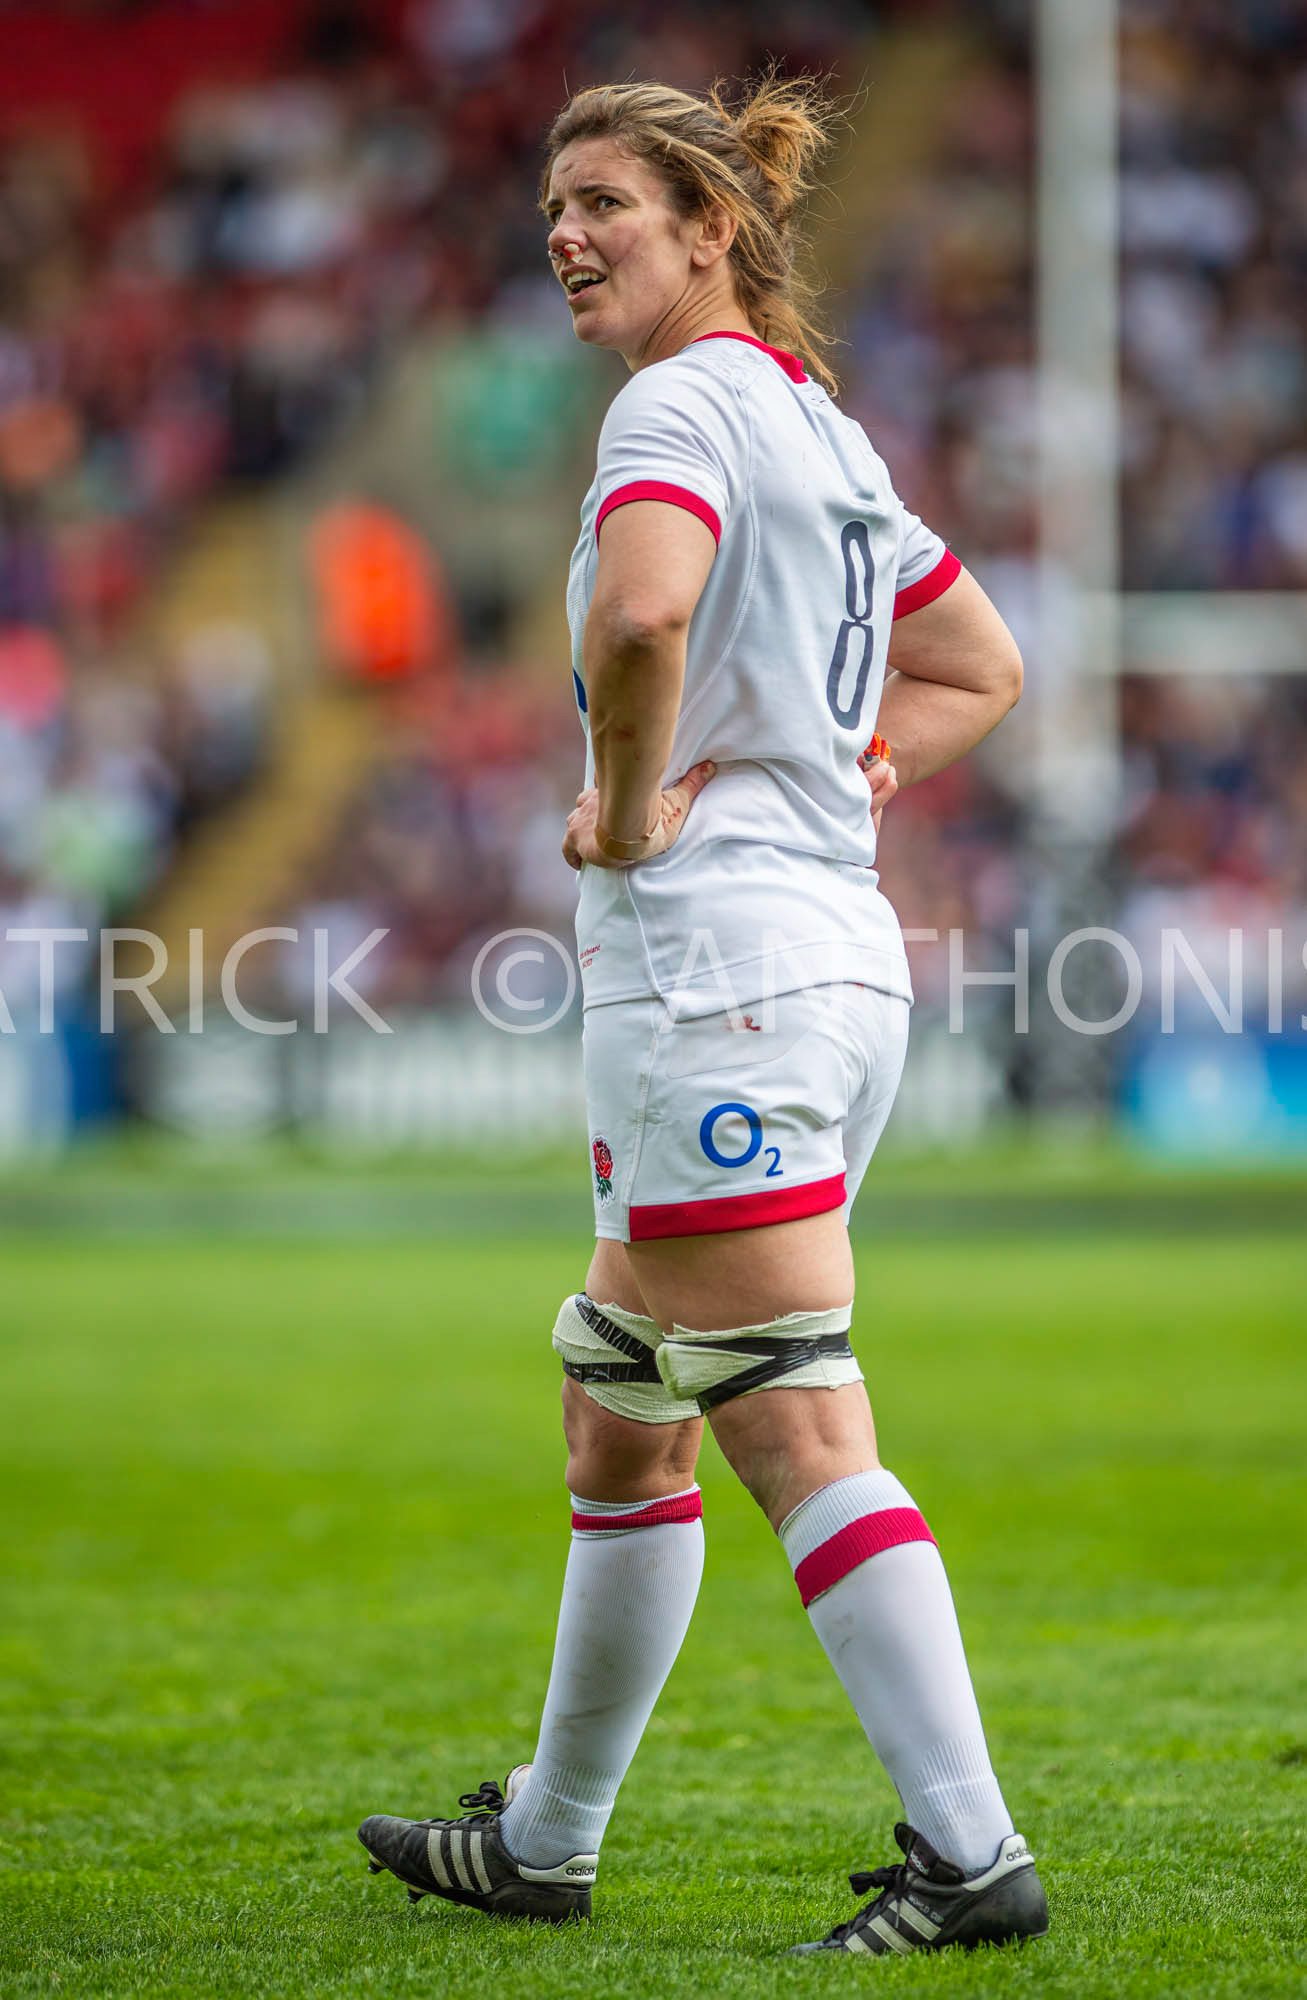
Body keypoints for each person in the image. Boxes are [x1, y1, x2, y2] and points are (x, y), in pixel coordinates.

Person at [359, 74, 1048, 1958]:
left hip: (717, 974)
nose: (564, 235)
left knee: (793, 1427)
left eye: (604, 204)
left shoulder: (676, 406)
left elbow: (644, 622)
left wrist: (641, 791)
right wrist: (853, 769)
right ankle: (551, 1840)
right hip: (823, 957)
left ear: (710, 227)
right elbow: (981, 663)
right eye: (553, 209)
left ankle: (973, 1859)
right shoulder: (822, 429)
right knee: (622, 1410)